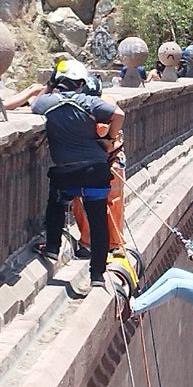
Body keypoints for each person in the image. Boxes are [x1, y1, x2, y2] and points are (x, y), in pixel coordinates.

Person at [34, 60, 124, 284]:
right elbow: (118, 113)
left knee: (57, 202)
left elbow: (34, 105)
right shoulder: (90, 102)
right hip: (94, 169)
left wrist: (49, 85)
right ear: (81, 83)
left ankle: (53, 247)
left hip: (65, 173)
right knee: (98, 220)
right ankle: (97, 274)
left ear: (58, 82)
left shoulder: (46, 102)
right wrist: (109, 139)